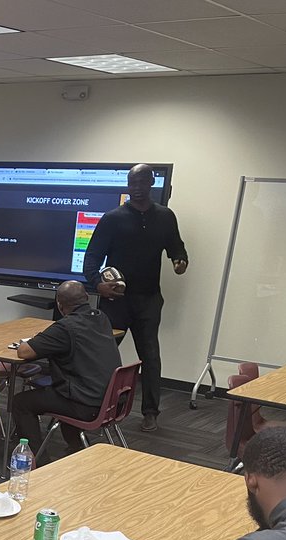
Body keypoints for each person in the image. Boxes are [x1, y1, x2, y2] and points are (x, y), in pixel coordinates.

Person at [82, 163, 188, 432]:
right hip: (116, 300)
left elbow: (177, 248)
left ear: (151, 183)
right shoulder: (113, 218)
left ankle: (150, 412)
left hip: (149, 299)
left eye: (142, 182)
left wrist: (180, 261)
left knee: (150, 356)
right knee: (104, 354)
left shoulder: (165, 216)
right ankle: (95, 404)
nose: (138, 188)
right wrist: (97, 284)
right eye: (133, 183)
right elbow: (92, 257)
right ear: (128, 186)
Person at [12, 280, 122, 455]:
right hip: (112, 401)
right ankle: (76, 446)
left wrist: (42, 338)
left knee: (20, 402)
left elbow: (24, 352)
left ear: (60, 305)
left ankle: (36, 461)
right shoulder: (101, 317)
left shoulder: (65, 327)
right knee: (63, 388)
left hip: (86, 404)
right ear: (86, 298)